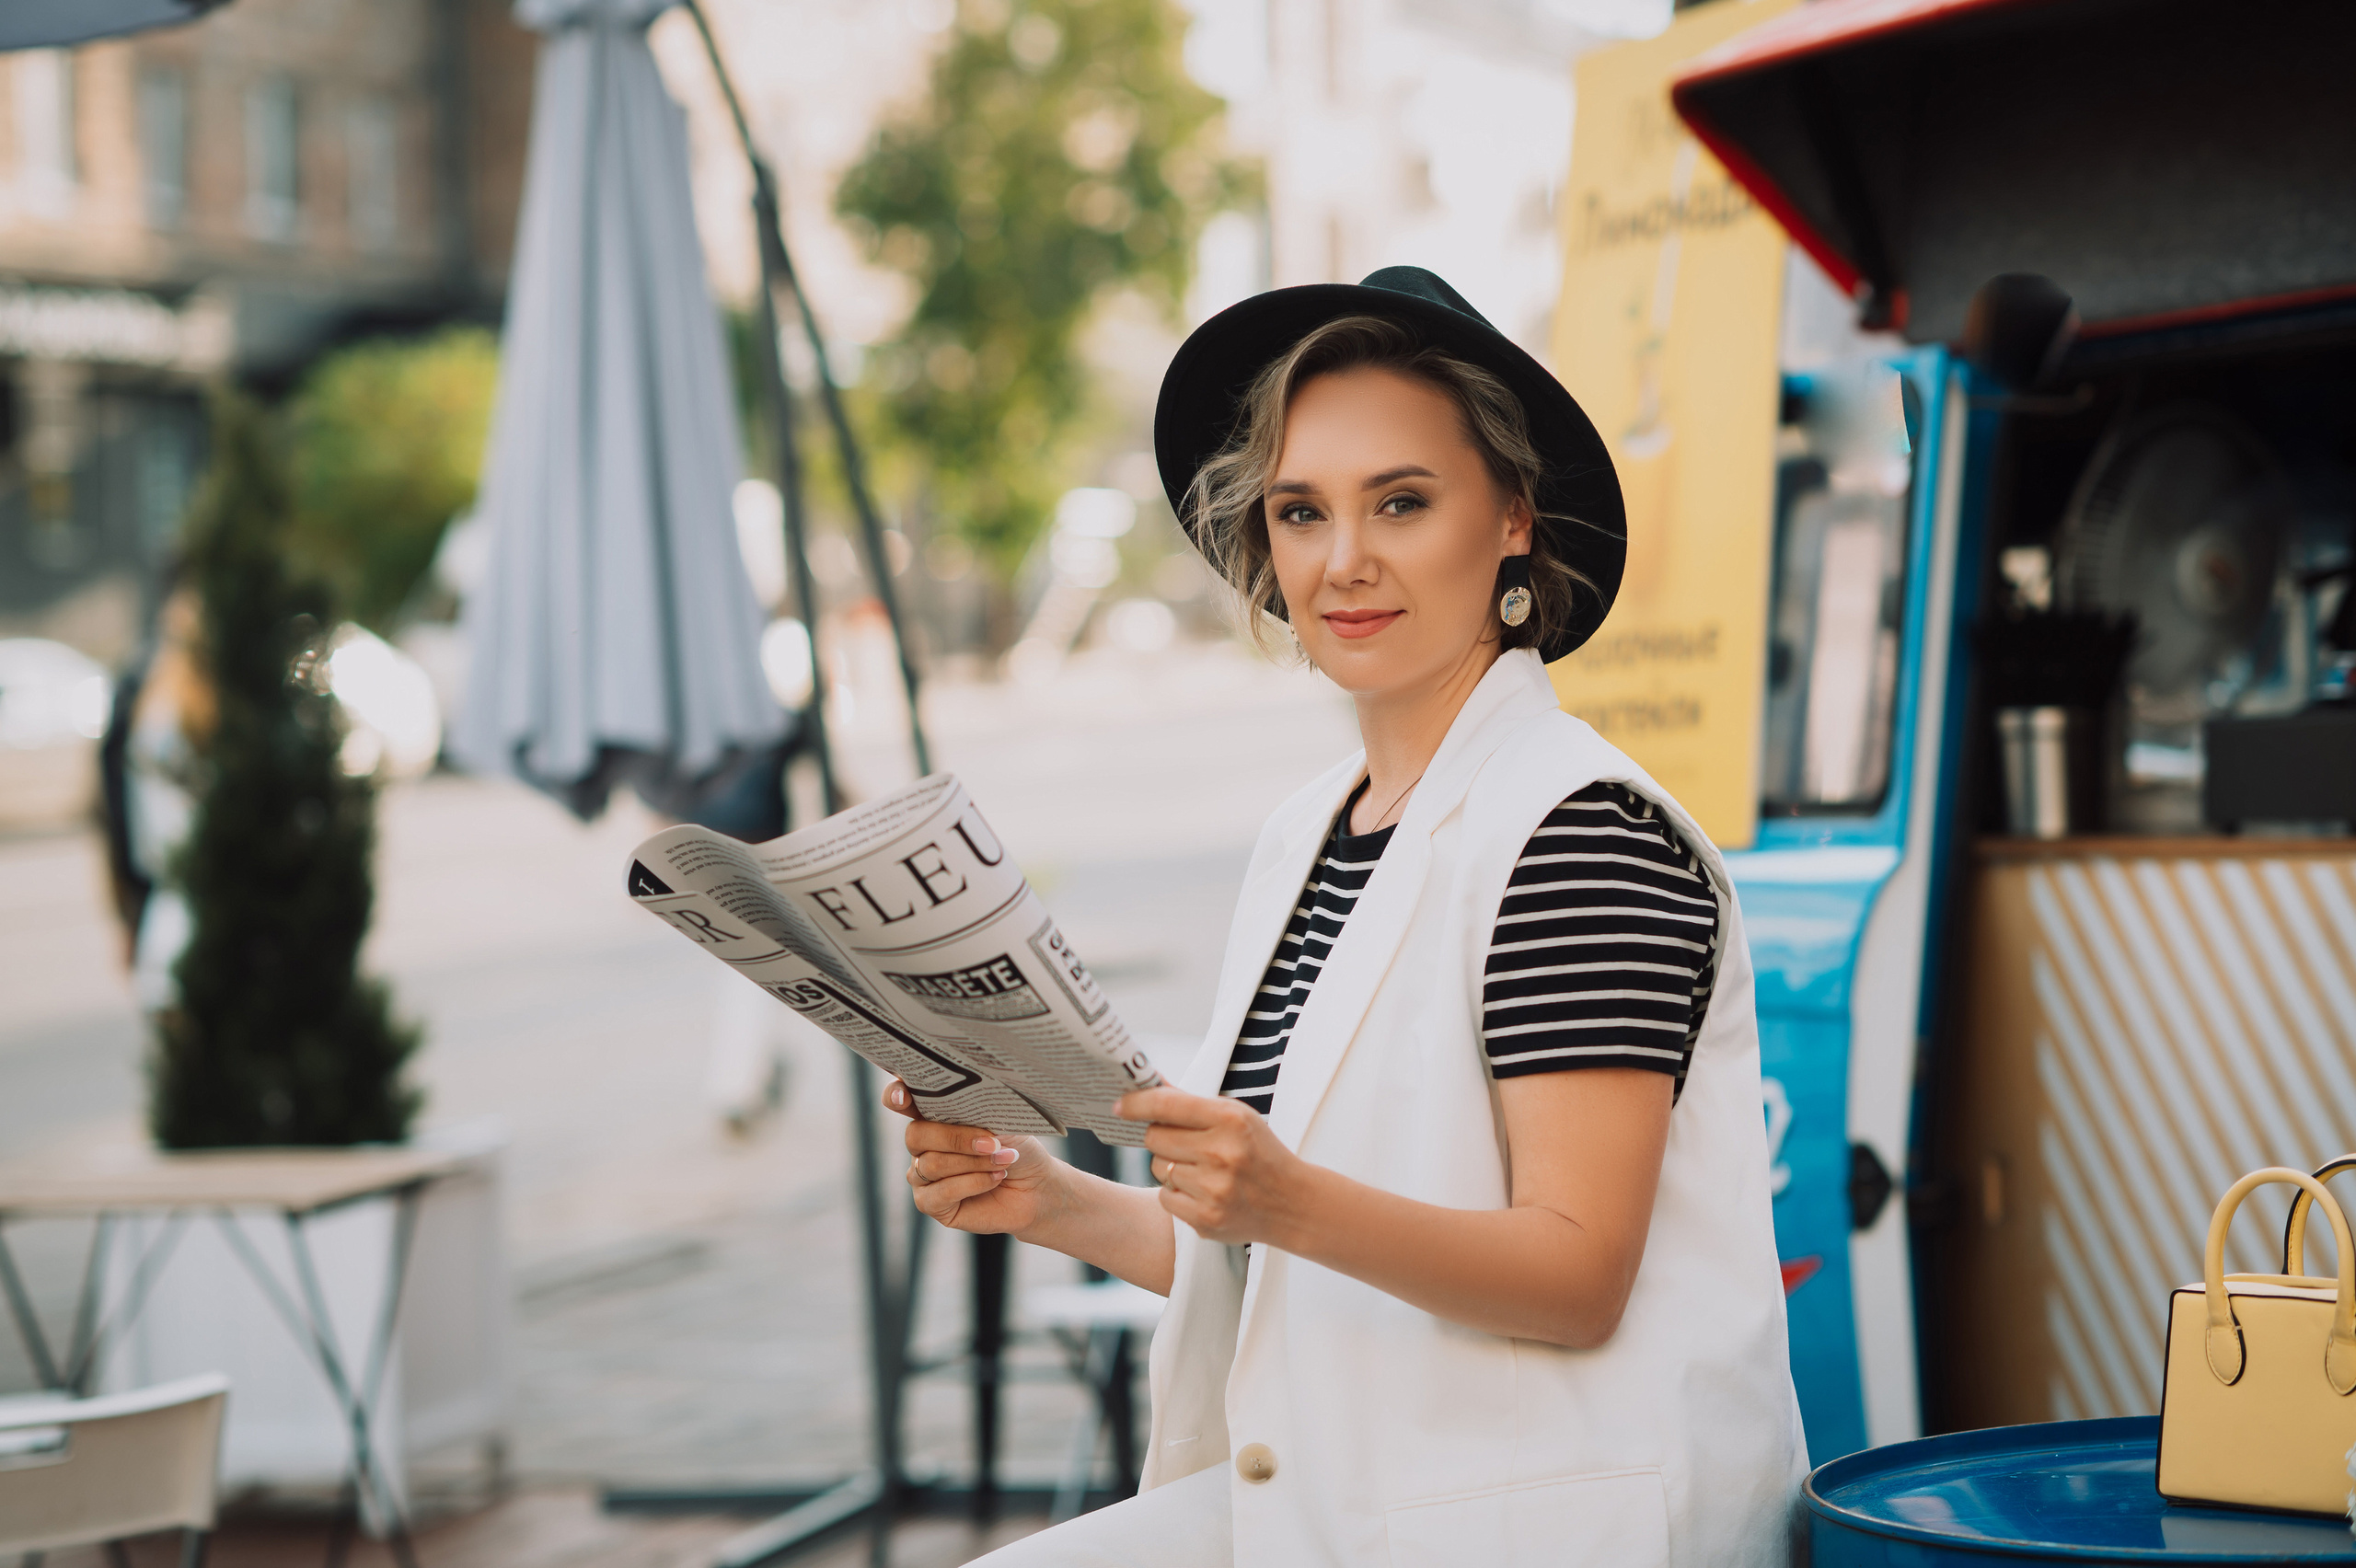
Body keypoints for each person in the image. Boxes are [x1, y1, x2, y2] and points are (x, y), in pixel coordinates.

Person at [889, 268, 1805, 1566]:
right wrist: (1045, 1200)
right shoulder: (1313, 831)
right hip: (1353, 1503)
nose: (1345, 561)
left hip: (1552, 1520)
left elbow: (1575, 1273)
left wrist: (1282, 1199)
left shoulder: (1580, 832)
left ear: (1513, 524)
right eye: (1301, 511)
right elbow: (1280, 1262)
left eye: (1403, 502)